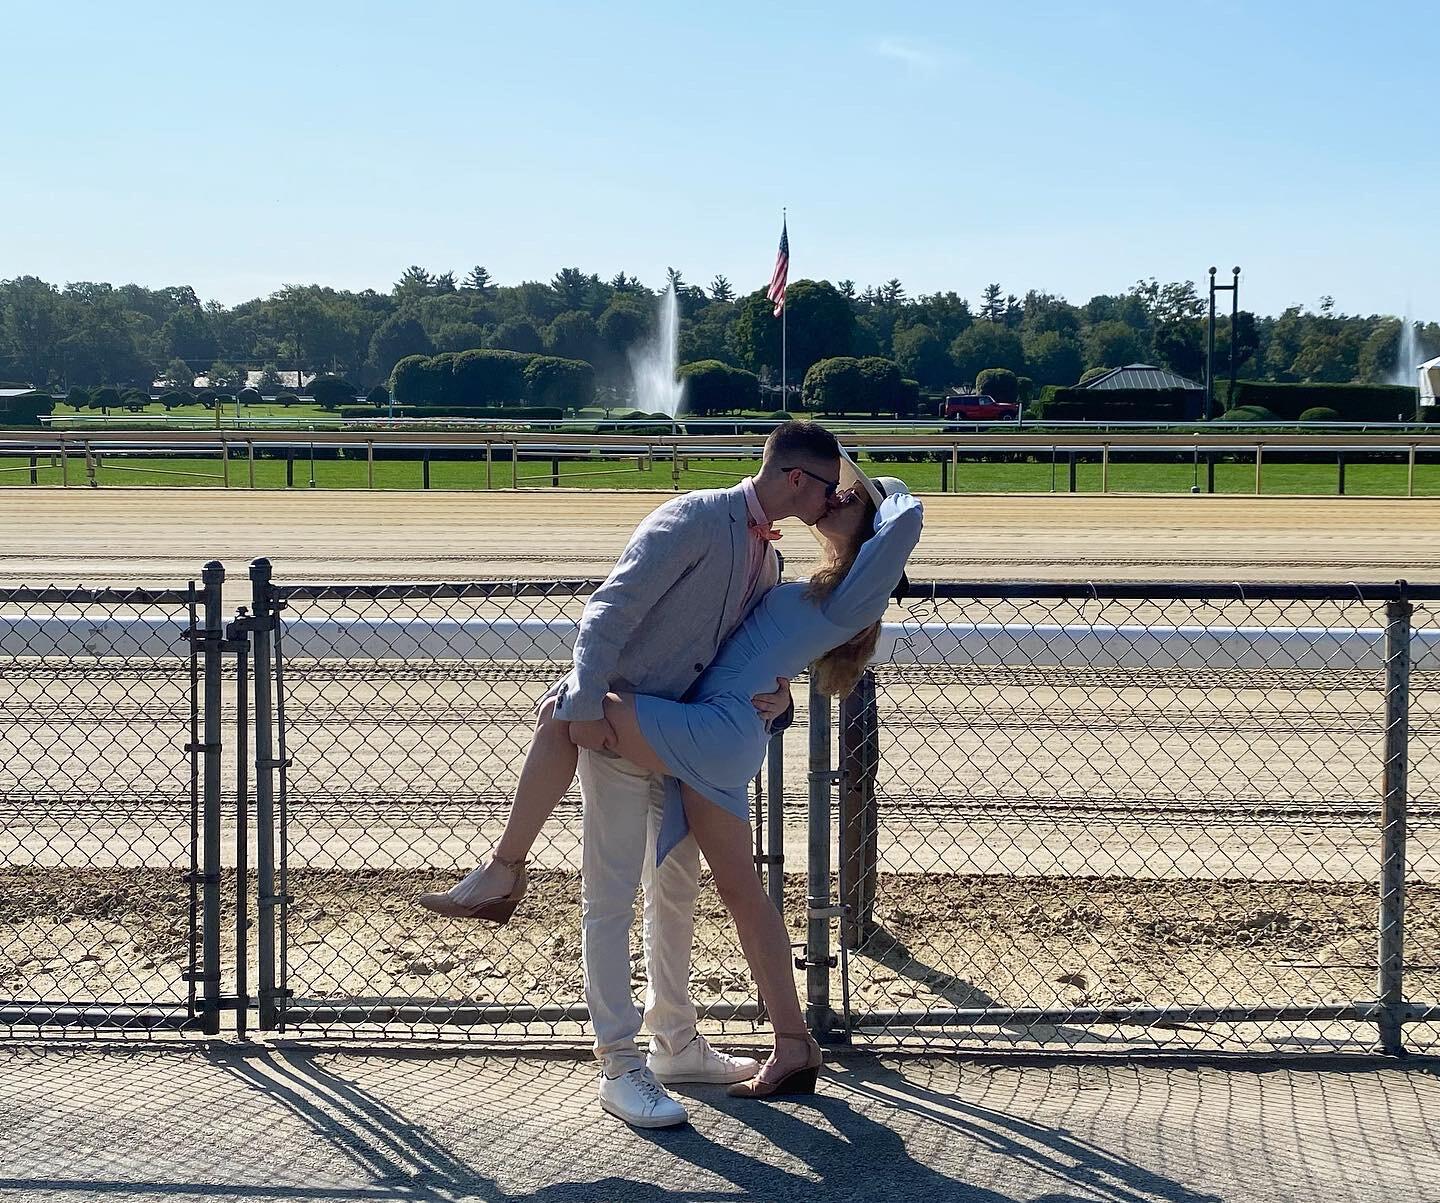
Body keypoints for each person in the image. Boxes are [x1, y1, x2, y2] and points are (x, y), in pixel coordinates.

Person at [423, 452, 923, 1122]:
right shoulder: (795, 575)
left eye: (851, 498)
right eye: (834, 489)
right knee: (736, 893)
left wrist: (888, 496)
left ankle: (503, 868)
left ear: (872, 531)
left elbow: (907, 519)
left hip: (709, 732)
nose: (836, 497)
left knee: (562, 710)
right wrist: (782, 700)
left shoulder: (858, 587)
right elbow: (746, 652)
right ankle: (781, 1043)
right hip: (711, 731)